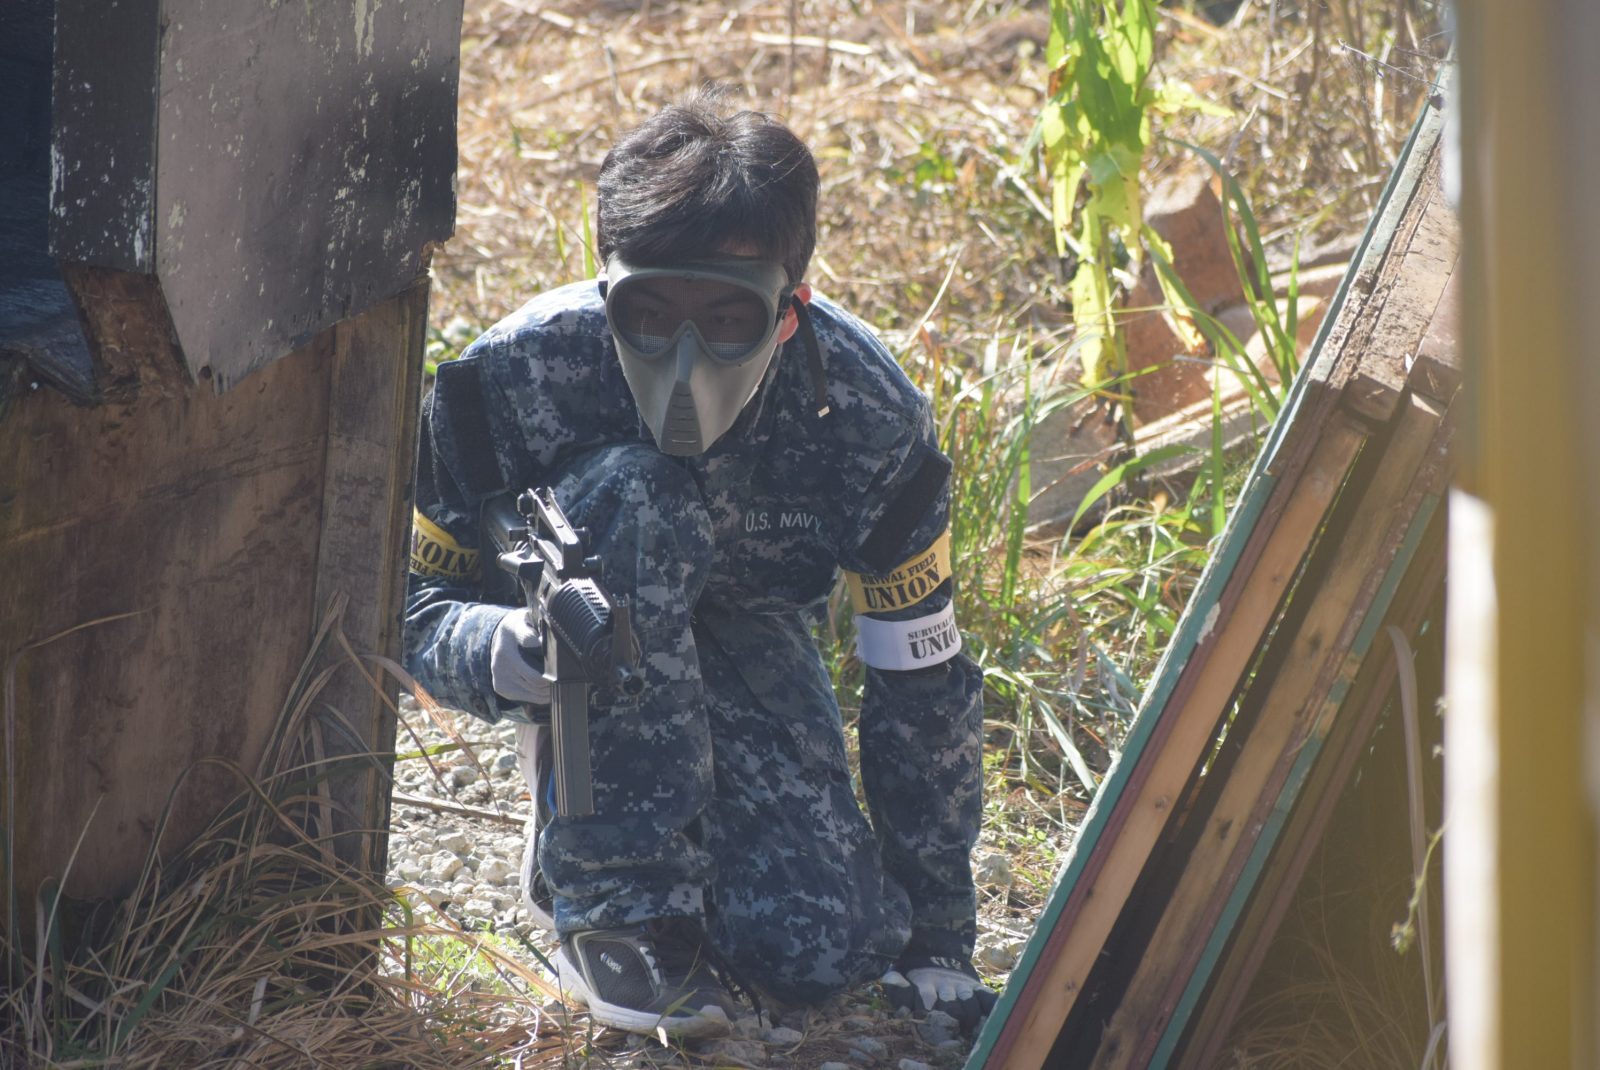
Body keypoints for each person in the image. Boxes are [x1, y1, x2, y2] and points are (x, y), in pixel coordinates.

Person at [404, 89, 993, 1039]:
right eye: (649, 313)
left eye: (727, 320)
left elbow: (921, 683)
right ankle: (608, 903)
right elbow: (410, 606)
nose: (684, 361)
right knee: (639, 491)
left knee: (820, 950)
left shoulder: (868, 421)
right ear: (605, 289)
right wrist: (507, 649)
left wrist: (939, 937)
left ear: (790, 313)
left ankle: (666, 850)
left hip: (749, 631)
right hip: (583, 649)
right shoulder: (507, 383)